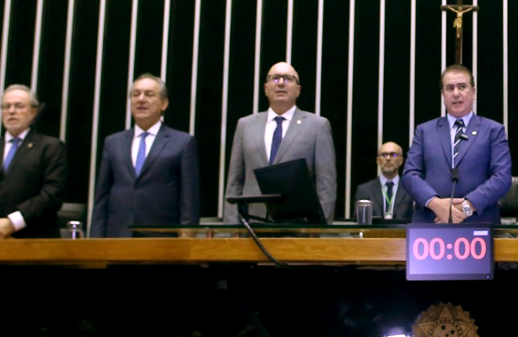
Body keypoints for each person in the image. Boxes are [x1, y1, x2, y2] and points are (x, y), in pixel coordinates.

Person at [224, 62, 337, 223]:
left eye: (288, 79)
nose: (281, 83)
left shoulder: (317, 126)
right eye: (275, 78)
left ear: (298, 90)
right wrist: (232, 225)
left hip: (299, 225)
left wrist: (318, 228)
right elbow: (234, 181)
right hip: (252, 223)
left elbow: (326, 184)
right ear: (265, 88)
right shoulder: (245, 125)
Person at [90, 74, 200, 237]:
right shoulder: (113, 142)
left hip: (162, 239)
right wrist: (95, 241)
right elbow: (102, 198)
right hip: (118, 237)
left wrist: (187, 238)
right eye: (136, 94)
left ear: (164, 103)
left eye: (149, 94)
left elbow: (189, 199)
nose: (141, 99)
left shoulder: (182, 142)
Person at [402, 65, 512, 223]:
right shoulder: (424, 131)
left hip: (478, 222)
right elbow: (410, 175)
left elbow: (502, 178)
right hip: (431, 222)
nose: (456, 93)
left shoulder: (493, 130)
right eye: (449, 88)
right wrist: (435, 204)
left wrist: (466, 208)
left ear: (473, 92)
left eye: (462, 87)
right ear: (443, 94)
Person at [0, 84, 67, 238]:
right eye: (6, 107)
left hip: (35, 239)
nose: (11, 111)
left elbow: (53, 192)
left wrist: (13, 222)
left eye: (19, 106)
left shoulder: (51, 147)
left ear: (33, 112)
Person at [353, 141, 413, 221]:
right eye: (384, 155)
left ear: (401, 160)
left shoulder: (410, 189)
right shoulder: (364, 190)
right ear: (378, 160)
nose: (388, 158)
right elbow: (358, 221)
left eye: (393, 155)